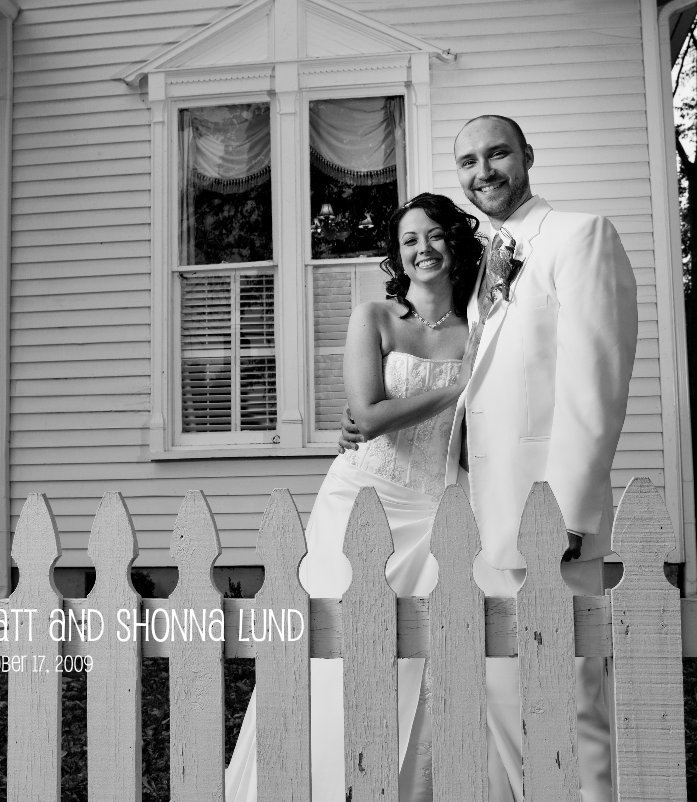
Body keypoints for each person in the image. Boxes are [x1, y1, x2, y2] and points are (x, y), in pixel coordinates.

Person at [342, 115, 638, 801]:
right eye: (468, 161)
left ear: (526, 155)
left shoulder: (578, 236)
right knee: (507, 702)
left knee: (568, 702)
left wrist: (564, 518)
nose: (484, 171)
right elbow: (474, 386)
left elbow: (595, 389)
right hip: (477, 517)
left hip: (545, 521)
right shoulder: (484, 273)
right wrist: (371, 421)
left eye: (497, 153)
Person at [225, 192, 484, 801]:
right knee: (331, 642)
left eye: (434, 234)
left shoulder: (482, 330)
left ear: (456, 240)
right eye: (409, 240)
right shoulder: (374, 317)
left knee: (417, 653)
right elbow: (366, 416)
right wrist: (457, 386)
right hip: (362, 498)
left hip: (436, 504)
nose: (423, 248)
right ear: (398, 256)